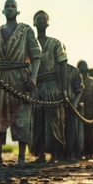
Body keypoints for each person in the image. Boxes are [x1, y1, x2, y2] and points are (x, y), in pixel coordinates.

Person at [0, 0, 41, 167]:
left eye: (13, 6)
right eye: (7, 6)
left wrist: (34, 77)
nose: (10, 9)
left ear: (17, 11)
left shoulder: (26, 30)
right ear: (3, 11)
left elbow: (36, 55)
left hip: (20, 78)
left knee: (22, 117)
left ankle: (21, 157)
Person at [30, 10, 67, 164]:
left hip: (52, 85)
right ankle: (40, 154)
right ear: (34, 23)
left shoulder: (56, 43)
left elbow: (63, 65)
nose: (41, 21)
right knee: (37, 121)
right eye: (38, 18)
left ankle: (55, 154)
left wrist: (62, 88)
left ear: (48, 23)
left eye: (43, 18)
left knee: (54, 121)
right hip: (36, 86)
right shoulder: (30, 44)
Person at [77, 61, 93, 159]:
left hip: (90, 111)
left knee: (90, 133)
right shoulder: (77, 79)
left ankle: (90, 151)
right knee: (80, 132)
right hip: (78, 110)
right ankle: (80, 152)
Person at [64, 63, 84, 162]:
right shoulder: (52, 67)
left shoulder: (73, 70)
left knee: (71, 130)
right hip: (55, 105)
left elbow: (79, 89)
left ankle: (71, 153)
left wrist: (74, 103)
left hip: (70, 106)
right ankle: (58, 154)